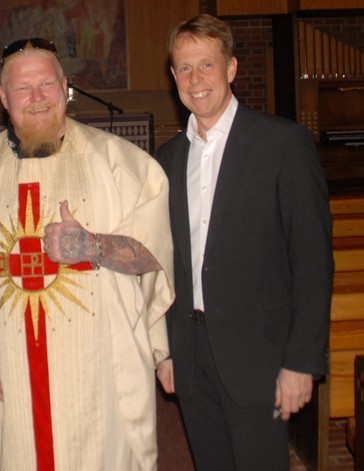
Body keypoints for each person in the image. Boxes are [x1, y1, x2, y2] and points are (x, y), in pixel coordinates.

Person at [0, 38, 175, 470]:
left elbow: (155, 253)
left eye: (46, 84)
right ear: (4, 98)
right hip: (15, 377)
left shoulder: (119, 162)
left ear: (66, 87)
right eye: (23, 89)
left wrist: (93, 247)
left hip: (101, 374)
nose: (37, 98)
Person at [154, 14, 334, 470]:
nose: (196, 80)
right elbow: (168, 264)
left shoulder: (282, 143)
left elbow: (312, 261)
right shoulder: (168, 160)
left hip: (261, 357)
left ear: (231, 68)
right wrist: (167, 350)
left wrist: (302, 362)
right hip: (192, 358)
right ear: (173, 76)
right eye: (184, 68)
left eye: (206, 65)